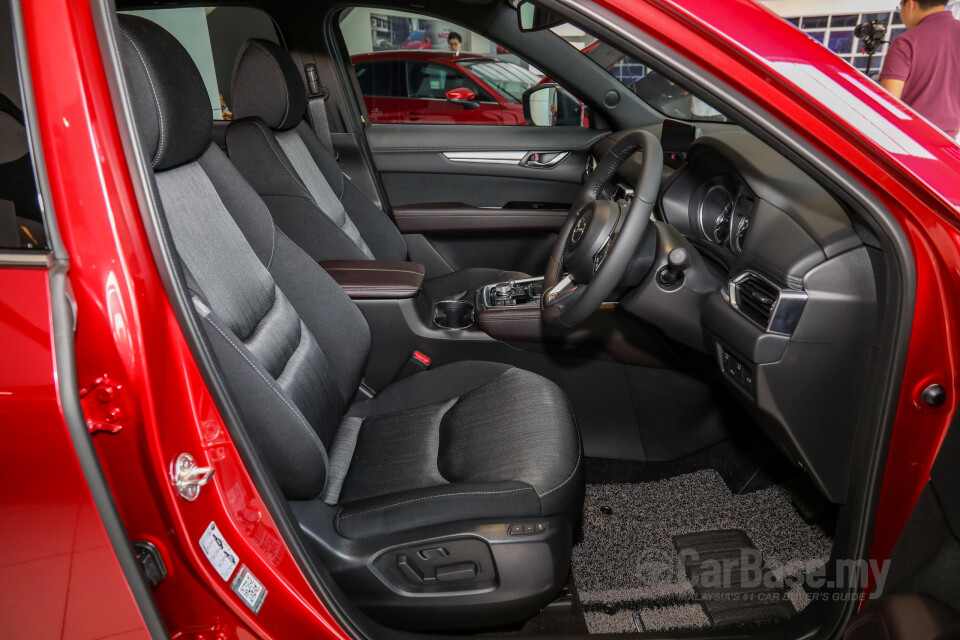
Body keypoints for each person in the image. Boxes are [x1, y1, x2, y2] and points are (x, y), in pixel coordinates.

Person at [879, 1, 960, 138]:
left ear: (911, 4)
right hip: (947, 146)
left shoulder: (906, 42)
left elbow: (888, 104)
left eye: (900, 7)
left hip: (907, 141)